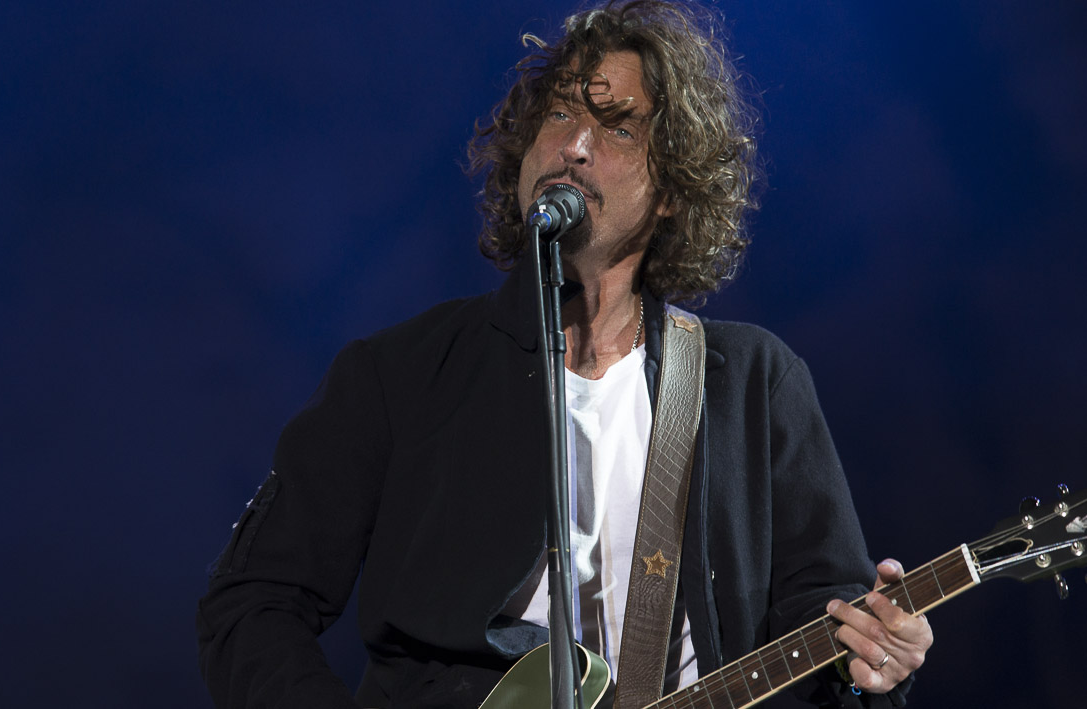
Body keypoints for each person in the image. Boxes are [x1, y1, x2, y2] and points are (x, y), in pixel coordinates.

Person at [196, 1, 933, 707]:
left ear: (673, 189)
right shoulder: (399, 374)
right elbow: (253, 601)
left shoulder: (753, 385)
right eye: (558, 113)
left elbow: (832, 632)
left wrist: (876, 663)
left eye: (618, 127)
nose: (574, 145)